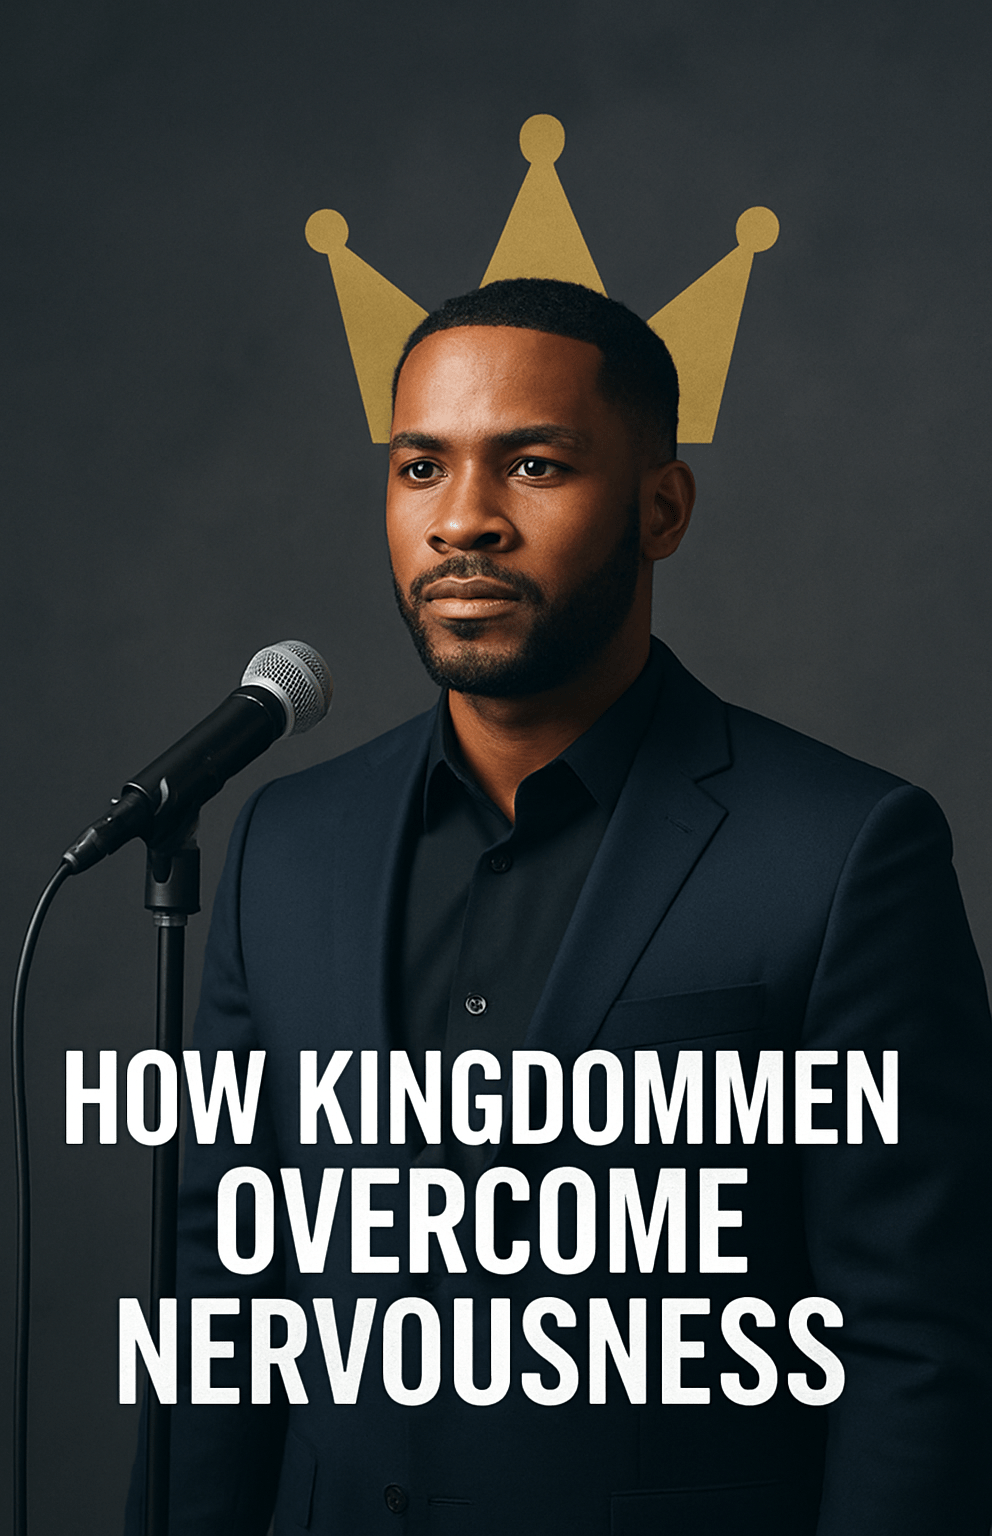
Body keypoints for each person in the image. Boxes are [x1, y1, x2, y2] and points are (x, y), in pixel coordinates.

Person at [147, 279, 992, 1534]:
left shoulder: (847, 848)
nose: (463, 522)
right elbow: (228, 1292)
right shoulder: (288, 840)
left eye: (532, 465)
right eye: (420, 467)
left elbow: (914, 1343)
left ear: (661, 508)